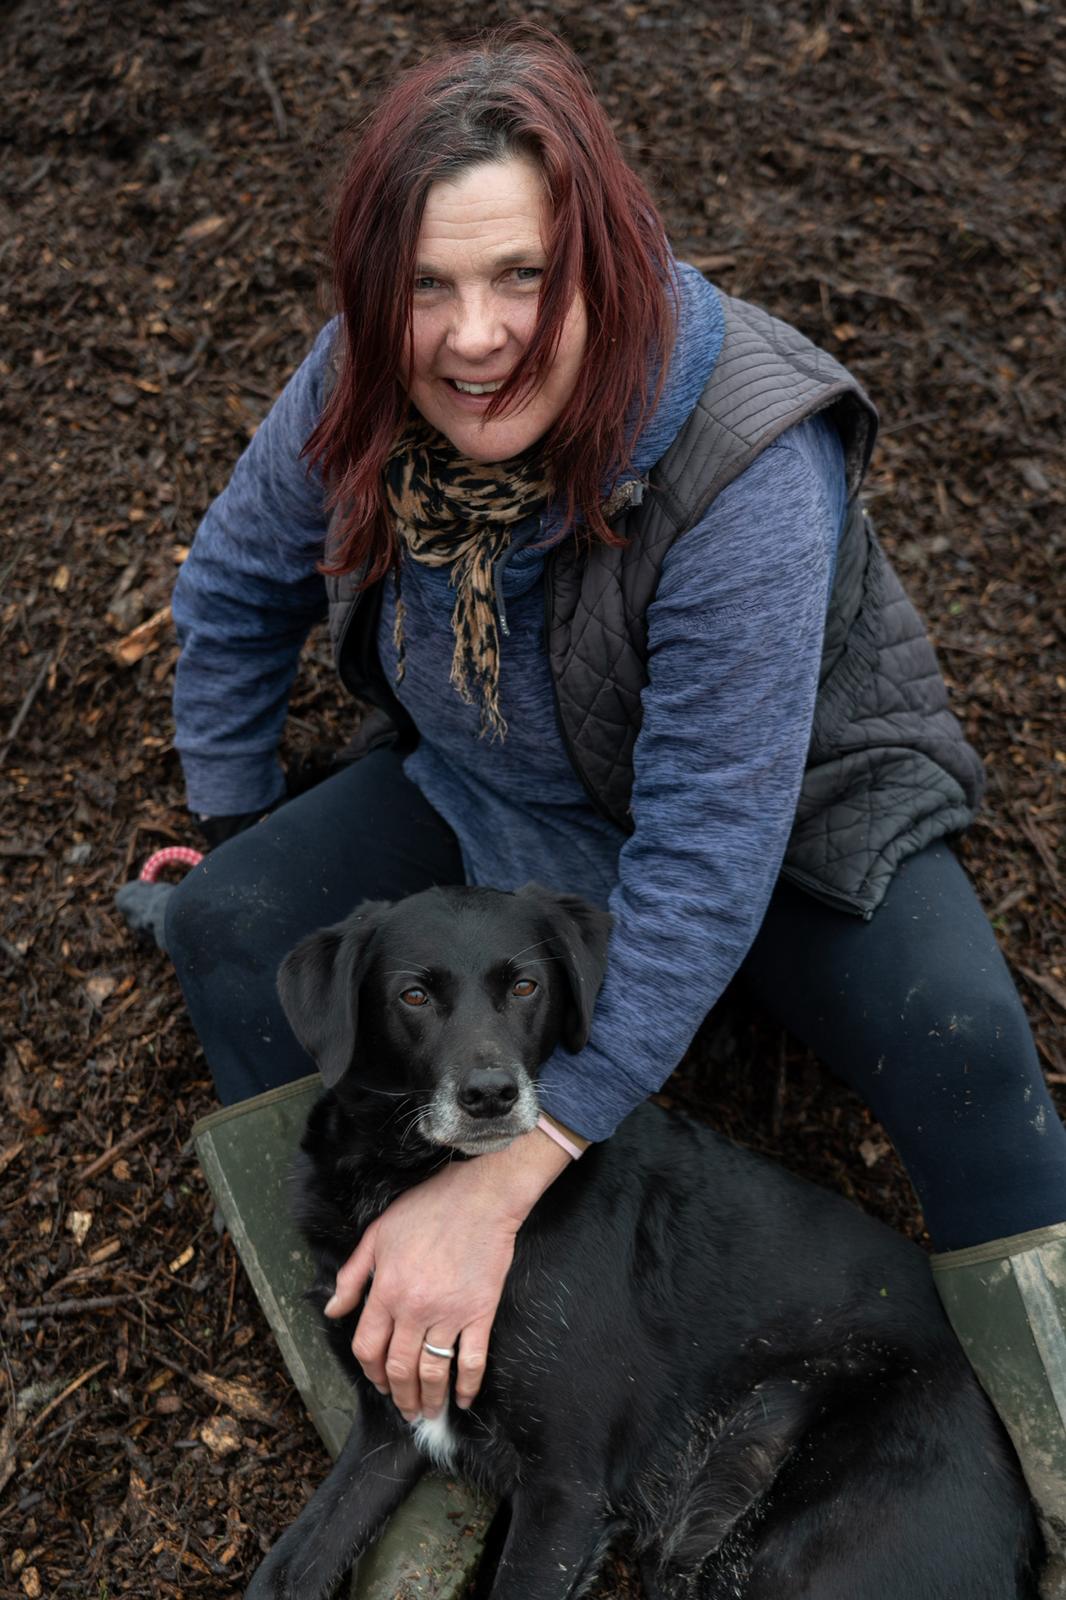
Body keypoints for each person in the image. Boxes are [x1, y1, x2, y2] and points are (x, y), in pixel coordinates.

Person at [156, 25, 1066, 1588]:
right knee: (228, 924)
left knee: (965, 1054)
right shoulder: (364, 378)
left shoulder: (743, 460)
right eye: (427, 290)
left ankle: (1050, 1468)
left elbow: (705, 857)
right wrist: (238, 823)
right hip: (505, 786)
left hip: (786, 824)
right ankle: (417, 1432)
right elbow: (235, 589)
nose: (472, 337)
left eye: (519, 279)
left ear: (607, 260)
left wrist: (519, 1165)